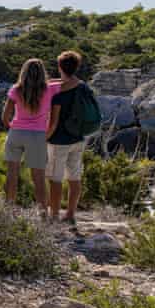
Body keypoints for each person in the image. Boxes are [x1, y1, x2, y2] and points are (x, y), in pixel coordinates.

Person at [2, 58, 61, 209]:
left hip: (16, 133)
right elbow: (68, 80)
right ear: (43, 74)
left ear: (23, 72)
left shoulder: (16, 90)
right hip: (37, 135)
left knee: (12, 175)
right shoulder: (50, 89)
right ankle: (42, 214)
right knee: (39, 178)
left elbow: (5, 117)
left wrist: (13, 127)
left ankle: (8, 210)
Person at [46, 51, 86, 223]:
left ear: (60, 67)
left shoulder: (58, 93)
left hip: (59, 140)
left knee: (55, 179)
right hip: (79, 138)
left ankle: (54, 215)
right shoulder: (83, 86)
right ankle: (70, 214)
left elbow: (53, 122)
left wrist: (44, 138)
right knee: (74, 177)